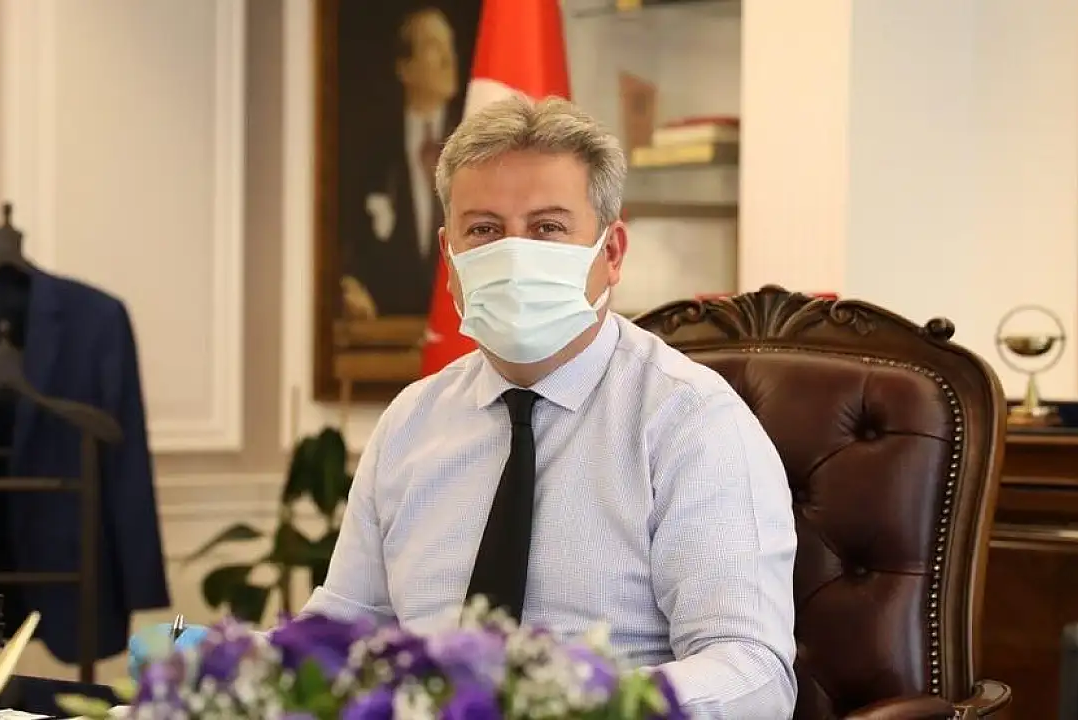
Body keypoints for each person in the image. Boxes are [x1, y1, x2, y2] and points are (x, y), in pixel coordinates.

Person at [133, 96, 797, 718]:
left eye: (547, 228)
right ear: (449, 257)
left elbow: (752, 669)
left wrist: (580, 704)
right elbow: (340, 636)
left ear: (612, 252)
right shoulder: (412, 423)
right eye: (484, 230)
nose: (514, 254)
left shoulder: (690, 423)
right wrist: (221, 666)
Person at [342, 6, 462, 318]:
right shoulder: (371, 152)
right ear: (405, 68)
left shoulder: (473, 144)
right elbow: (348, 242)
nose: (448, 58)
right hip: (387, 328)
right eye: (433, 46)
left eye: (449, 45)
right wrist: (350, 284)